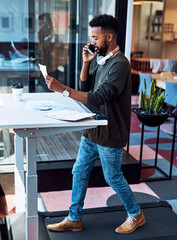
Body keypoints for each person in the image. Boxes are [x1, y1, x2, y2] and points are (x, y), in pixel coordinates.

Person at [45, 14, 146, 234]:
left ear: (108, 37)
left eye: (95, 37)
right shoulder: (102, 59)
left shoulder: (119, 64)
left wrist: (62, 89)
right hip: (93, 128)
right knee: (79, 171)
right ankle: (74, 218)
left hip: (110, 131)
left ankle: (136, 214)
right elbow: (85, 84)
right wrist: (85, 63)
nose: (91, 42)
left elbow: (97, 97)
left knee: (113, 176)